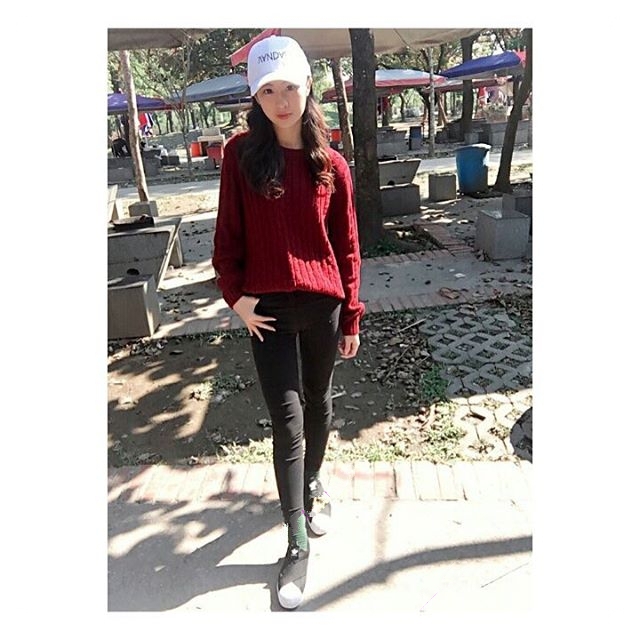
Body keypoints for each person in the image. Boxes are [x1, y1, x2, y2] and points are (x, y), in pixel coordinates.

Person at [212, 35, 365, 610]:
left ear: (309, 88)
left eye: (290, 88)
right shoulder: (240, 156)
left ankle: (312, 482)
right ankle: (296, 540)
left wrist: (351, 316)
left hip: (323, 308)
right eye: (268, 90)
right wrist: (236, 299)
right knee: (288, 421)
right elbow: (227, 238)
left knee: (320, 405)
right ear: (256, 96)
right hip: (268, 314)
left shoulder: (332, 165)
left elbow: (347, 247)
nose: (280, 101)